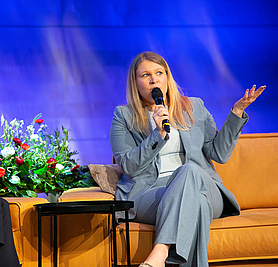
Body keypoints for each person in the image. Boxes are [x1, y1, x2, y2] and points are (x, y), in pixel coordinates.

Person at [109, 51, 265, 267]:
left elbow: (218, 153)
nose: (154, 79)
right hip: (150, 192)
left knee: (188, 172)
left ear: (167, 77)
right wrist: (157, 135)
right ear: (135, 83)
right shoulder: (123, 116)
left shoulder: (194, 107)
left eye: (159, 73)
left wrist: (236, 113)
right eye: (145, 75)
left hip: (202, 185)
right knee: (197, 205)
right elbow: (128, 166)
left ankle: (160, 252)